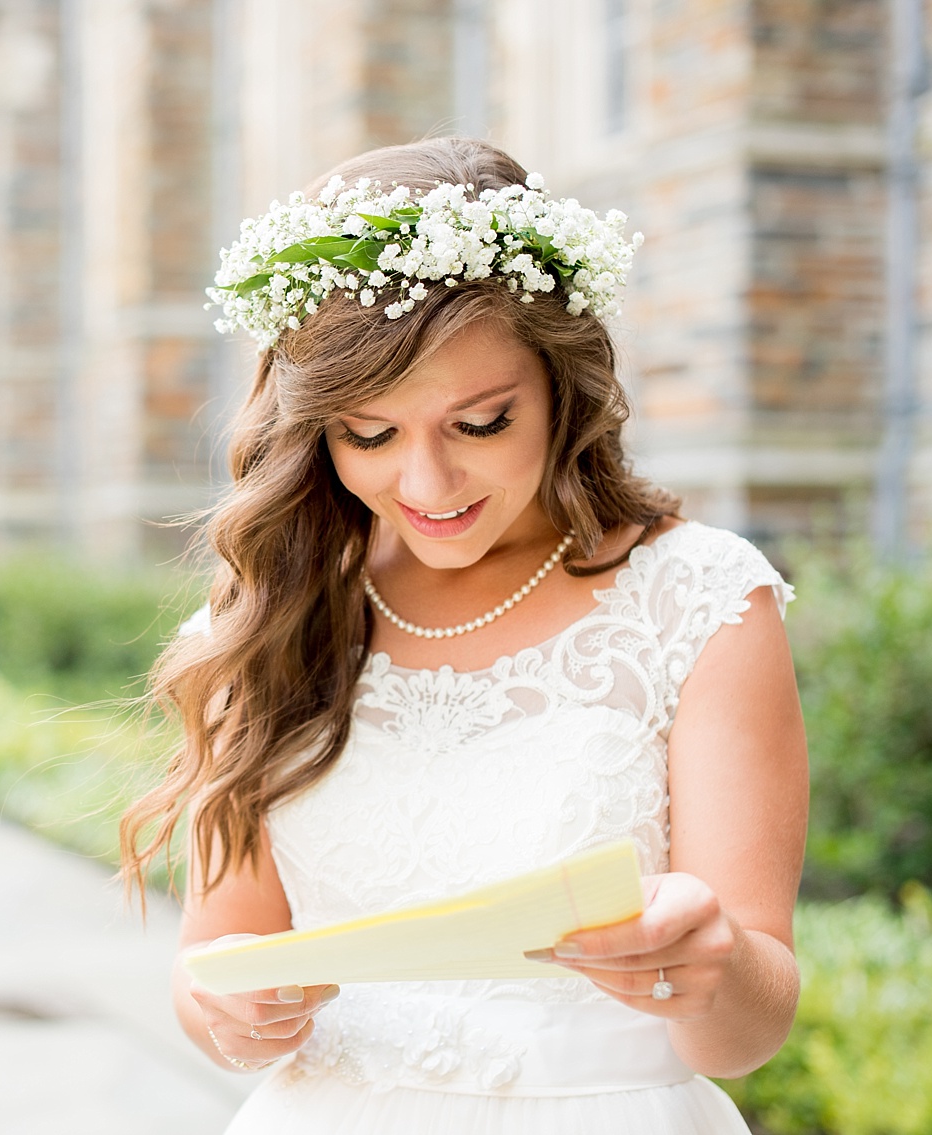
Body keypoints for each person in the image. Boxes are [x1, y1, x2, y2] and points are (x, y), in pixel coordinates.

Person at [120, 137, 809, 1133]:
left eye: (479, 423)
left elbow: (746, 1031)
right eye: (370, 434)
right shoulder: (263, 621)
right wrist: (228, 1011)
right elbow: (212, 966)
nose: (426, 486)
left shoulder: (697, 600)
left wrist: (712, 967)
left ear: (557, 384)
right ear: (318, 428)